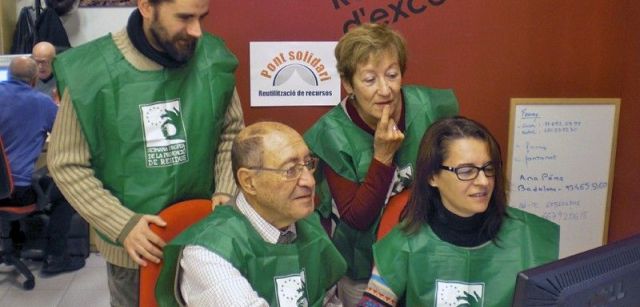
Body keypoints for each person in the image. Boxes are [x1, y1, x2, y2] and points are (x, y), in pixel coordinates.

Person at [47, 0, 244, 305]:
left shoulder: (212, 59)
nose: (196, 31)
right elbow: (66, 163)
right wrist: (121, 224)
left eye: (201, 17)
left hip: (205, 236)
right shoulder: (90, 72)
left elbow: (231, 132)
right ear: (146, 7)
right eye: (184, 17)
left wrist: (226, 188)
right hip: (135, 249)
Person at [303, 23, 458, 305]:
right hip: (362, 266)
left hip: (424, 254)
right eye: (369, 79)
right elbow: (356, 218)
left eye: (392, 75)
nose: (385, 90)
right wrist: (382, 158)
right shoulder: (332, 133)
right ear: (348, 84)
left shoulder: (428, 107)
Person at [359, 116, 560, 306]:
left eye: (488, 168)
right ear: (432, 177)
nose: (483, 182)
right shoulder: (405, 241)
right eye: (466, 171)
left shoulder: (530, 236)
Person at [156, 122, 347, 306]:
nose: (309, 181)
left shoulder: (310, 227)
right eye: (290, 170)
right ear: (249, 182)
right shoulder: (208, 252)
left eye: (308, 164)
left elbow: (329, 301)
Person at [0, 56, 85, 275]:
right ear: (34, 79)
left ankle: (15, 243)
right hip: (16, 193)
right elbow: (67, 133)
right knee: (67, 191)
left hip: (4, 187)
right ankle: (55, 257)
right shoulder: (41, 102)